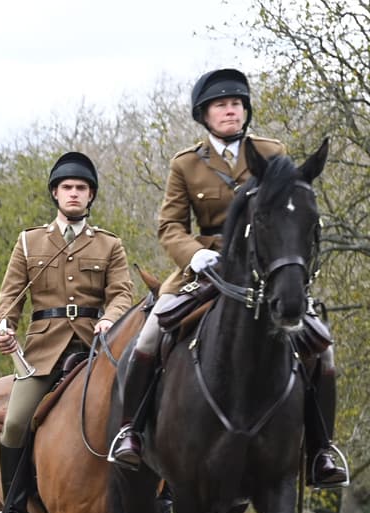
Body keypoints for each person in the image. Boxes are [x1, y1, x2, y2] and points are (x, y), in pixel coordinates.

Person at [109, 68, 347, 490]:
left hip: (265, 272)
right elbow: (169, 226)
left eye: (237, 104)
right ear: (204, 115)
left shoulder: (273, 153)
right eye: (221, 105)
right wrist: (195, 255)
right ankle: (131, 430)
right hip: (205, 271)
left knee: (321, 348)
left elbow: (291, 209)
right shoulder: (186, 163)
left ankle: (322, 449)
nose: (231, 111)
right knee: (147, 336)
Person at [0, 152, 133, 513]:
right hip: (43, 352)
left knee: (143, 408)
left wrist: (110, 319)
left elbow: (122, 293)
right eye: (67, 187)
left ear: (91, 196)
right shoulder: (29, 242)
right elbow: (10, 297)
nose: (74, 194)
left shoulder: (109, 244)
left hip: (95, 348)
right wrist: (3, 327)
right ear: (55, 193)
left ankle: (155, 503)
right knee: (14, 424)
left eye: (81, 188)